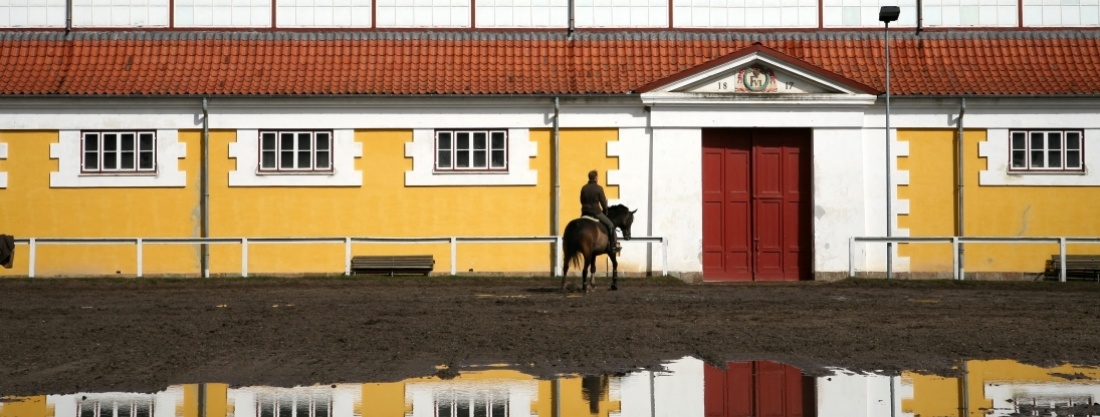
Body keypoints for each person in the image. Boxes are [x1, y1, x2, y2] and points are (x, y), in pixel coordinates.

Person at [580, 169, 616, 253]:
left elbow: (581, 200)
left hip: (585, 212)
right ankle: (612, 246)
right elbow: (603, 202)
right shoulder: (599, 188)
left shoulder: (584, 188)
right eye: (597, 177)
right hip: (595, 212)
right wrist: (605, 211)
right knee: (610, 225)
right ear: (596, 178)